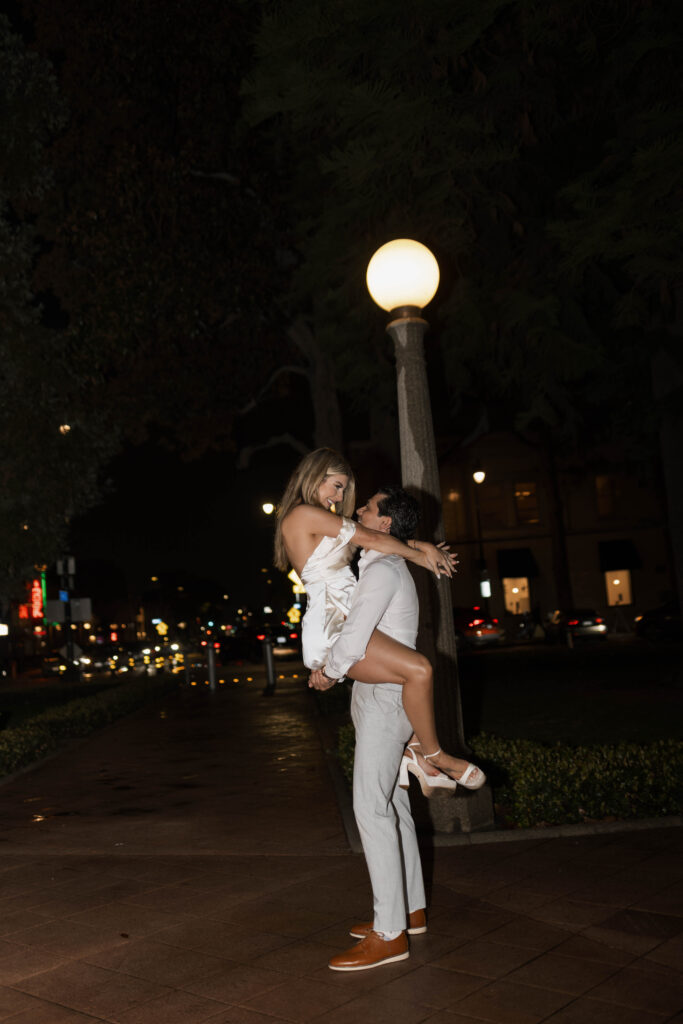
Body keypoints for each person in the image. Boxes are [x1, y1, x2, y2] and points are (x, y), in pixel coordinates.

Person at [274, 448, 485, 788]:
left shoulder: (320, 519)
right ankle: (433, 754)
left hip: (346, 618)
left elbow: (369, 536)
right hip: (334, 623)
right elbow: (371, 537)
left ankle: (414, 750)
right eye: (337, 486)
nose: (340, 497)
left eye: (344, 490)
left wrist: (420, 544)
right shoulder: (302, 514)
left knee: (411, 673)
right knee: (418, 669)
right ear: (315, 476)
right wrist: (417, 554)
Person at [322, 485, 442, 971]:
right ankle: (409, 909)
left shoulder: (383, 571)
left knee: (370, 808)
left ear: (385, 524)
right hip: (387, 700)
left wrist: (327, 672)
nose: (358, 511)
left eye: (368, 508)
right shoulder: (387, 566)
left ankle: (389, 933)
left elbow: (355, 635)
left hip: (383, 701)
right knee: (392, 805)